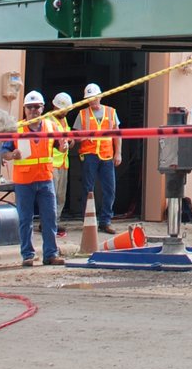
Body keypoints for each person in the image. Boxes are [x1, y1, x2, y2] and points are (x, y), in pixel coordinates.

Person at [10, 93, 63, 266]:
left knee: (49, 218)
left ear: (42, 108)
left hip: (45, 179)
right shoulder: (16, 128)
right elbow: (3, 151)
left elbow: (62, 145)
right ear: (24, 109)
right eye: (30, 107)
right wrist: (11, 154)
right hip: (24, 181)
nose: (33, 110)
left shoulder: (51, 126)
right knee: (25, 219)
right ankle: (28, 255)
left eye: (37, 107)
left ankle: (51, 254)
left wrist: (65, 145)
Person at [74, 83, 120, 235]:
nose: (92, 101)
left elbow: (117, 135)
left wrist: (118, 153)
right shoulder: (82, 114)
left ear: (100, 96)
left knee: (110, 189)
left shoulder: (111, 112)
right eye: (89, 99)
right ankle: (88, 221)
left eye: (94, 98)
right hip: (89, 155)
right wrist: (83, 137)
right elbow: (75, 137)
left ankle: (105, 221)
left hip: (107, 155)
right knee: (88, 189)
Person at [48, 91, 75, 228]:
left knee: (60, 197)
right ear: (55, 107)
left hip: (63, 164)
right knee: (51, 197)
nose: (65, 113)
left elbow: (70, 140)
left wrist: (70, 142)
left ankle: (55, 222)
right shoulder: (47, 121)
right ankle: (48, 223)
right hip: (52, 164)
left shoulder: (64, 121)